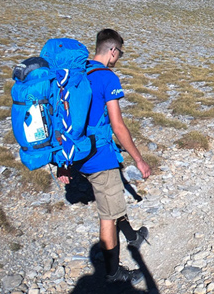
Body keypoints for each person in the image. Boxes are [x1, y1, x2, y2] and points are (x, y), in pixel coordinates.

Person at [57, 29, 151, 285]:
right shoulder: (107, 78)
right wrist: (139, 159)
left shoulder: (77, 73)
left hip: (77, 154)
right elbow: (118, 126)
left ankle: (132, 236)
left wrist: (62, 162)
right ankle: (113, 272)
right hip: (100, 156)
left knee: (112, 197)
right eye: (119, 53)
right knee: (107, 215)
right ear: (112, 51)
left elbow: (64, 117)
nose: (118, 58)